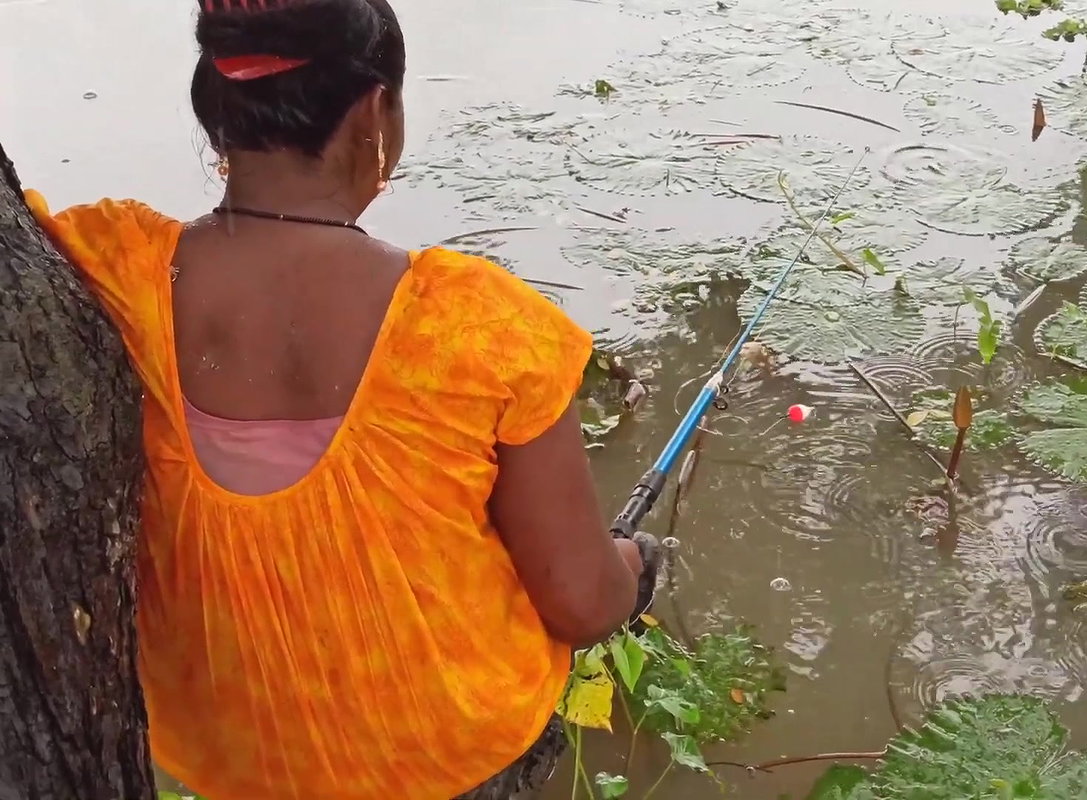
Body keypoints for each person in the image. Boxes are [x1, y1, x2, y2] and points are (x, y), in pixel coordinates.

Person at [22, 0, 659, 797]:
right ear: (372, 113)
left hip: (233, 762)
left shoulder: (107, 268)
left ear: (214, 103)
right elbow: (583, 605)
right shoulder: (480, 325)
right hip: (450, 759)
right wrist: (635, 564)